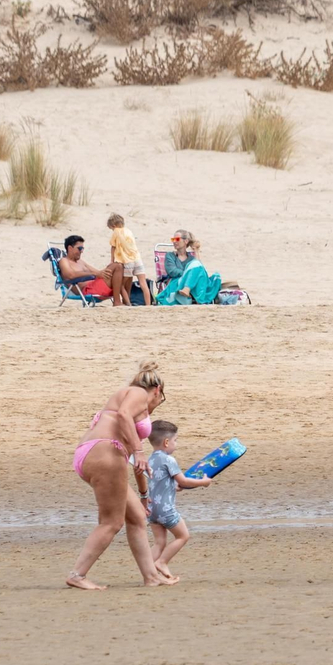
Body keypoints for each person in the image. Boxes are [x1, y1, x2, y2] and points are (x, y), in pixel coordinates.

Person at [67, 361, 176, 590]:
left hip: (97, 455)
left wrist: (144, 495)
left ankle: (151, 577)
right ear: (157, 390)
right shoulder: (137, 393)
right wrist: (138, 450)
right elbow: (125, 417)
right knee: (111, 523)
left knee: (136, 516)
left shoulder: (131, 412)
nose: (157, 405)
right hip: (104, 454)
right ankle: (77, 575)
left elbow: (135, 464)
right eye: (160, 398)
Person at [142, 419, 212, 581]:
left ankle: (149, 573)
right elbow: (184, 481)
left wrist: (173, 486)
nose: (176, 444)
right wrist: (204, 482)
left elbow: (161, 481)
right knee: (183, 536)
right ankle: (162, 562)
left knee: (159, 542)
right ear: (167, 442)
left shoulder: (150, 459)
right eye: (175, 441)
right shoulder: (169, 460)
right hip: (166, 509)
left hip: (152, 510)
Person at [101, 214, 149, 306]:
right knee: (143, 283)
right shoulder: (129, 231)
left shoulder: (116, 232)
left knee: (120, 284)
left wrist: (112, 260)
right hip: (137, 258)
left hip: (127, 261)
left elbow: (113, 247)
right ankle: (148, 305)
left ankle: (128, 303)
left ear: (114, 226)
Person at [58, 234, 114, 300]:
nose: (82, 251)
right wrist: (93, 273)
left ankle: (125, 299)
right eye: (80, 248)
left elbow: (98, 273)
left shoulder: (80, 262)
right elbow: (70, 275)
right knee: (116, 267)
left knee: (117, 266)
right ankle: (118, 300)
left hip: (94, 285)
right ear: (70, 248)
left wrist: (108, 269)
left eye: (82, 248)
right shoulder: (64, 261)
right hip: (87, 290)